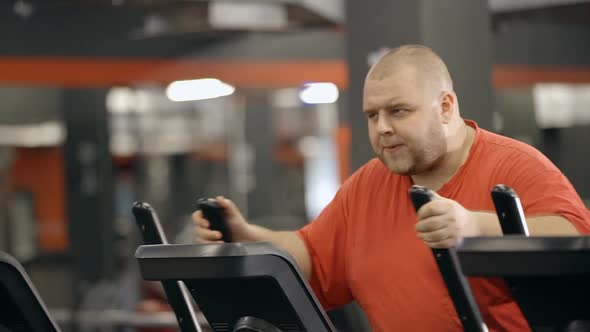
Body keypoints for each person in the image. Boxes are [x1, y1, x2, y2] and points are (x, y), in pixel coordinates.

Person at [192, 45, 589, 331]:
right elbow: (312, 253)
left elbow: (577, 240)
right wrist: (249, 238)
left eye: (398, 111)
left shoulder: (513, 164)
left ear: (446, 107)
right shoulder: (368, 185)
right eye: (372, 115)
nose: (382, 127)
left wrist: (475, 227)